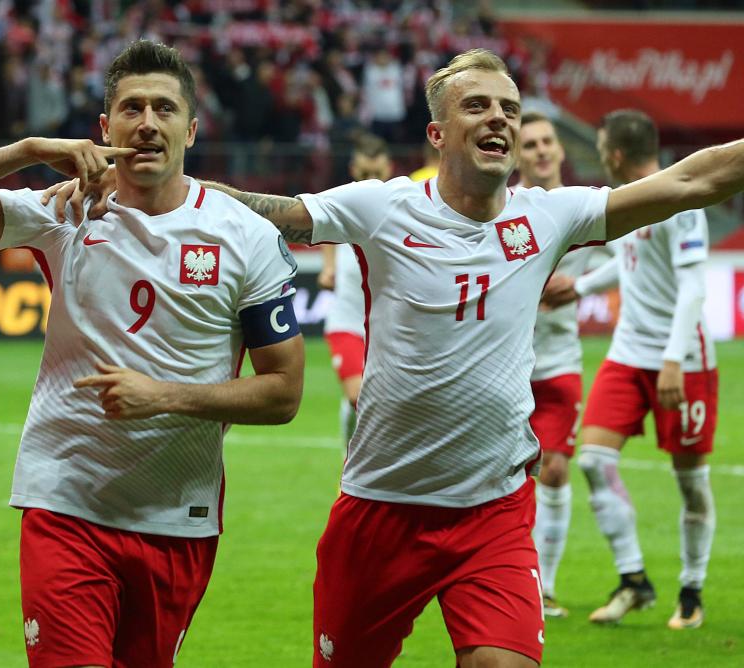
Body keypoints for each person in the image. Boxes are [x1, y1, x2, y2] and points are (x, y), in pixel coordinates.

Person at [192, 50, 744, 667]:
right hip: (382, 508)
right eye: (476, 106)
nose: (498, 119)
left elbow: (690, 182)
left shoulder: (548, 215)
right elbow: (274, 212)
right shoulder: (384, 206)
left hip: (494, 511)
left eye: (508, 107)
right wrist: (173, 189)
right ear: (437, 133)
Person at [0, 40, 304, 668]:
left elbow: (283, 393)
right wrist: (28, 152)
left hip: (178, 516)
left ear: (191, 129)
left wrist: (162, 395)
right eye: (131, 108)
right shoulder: (64, 213)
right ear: (103, 128)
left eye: (164, 109)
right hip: (66, 502)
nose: (146, 123)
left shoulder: (246, 236)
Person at [542, 109, 718, 631]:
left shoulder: (681, 204)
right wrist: (582, 286)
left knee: (690, 481)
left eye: (600, 146)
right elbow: (631, 261)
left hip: (681, 361)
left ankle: (691, 589)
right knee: (593, 461)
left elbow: (693, 286)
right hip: (627, 354)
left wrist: (671, 360)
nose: (599, 155)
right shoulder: (627, 203)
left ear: (616, 153)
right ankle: (635, 580)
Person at [515, 112, 605, 618]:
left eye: (548, 141)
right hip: (505, 365)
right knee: (505, 476)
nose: (542, 150)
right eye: (530, 144)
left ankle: (543, 588)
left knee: (553, 470)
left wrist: (584, 286)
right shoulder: (503, 206)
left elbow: (631, 256)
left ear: (561, 150)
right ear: (518, 154)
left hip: (560, 362)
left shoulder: (586, 209)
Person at [317, 134, 393, 447]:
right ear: (353, 170)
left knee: (381, 404)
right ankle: (351, 460)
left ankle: (355, 464)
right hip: (347, 323)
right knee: (358, 397)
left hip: (388, 331)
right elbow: (321, 228)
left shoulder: (401, 210)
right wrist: (328, 267)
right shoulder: (342, 205)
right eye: (364, 174)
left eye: (376, 174)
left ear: (388, 168)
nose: (370, 181)